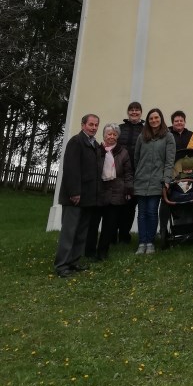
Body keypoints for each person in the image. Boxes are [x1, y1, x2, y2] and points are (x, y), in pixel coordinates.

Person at [54, 114, 102, 278]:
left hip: (88, 198)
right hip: (74, 197)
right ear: (83, 125)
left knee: (81, 233)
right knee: (69, 232)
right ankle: (62, 265)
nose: (93, 127)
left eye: (96, 125)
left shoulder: (95, 145)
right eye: (90, 124)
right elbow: (71, 169)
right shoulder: (76, 142)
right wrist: (74, 192)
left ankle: (73, 261)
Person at [85, 123, 133, 262]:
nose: (111, 137)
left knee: (109, 226)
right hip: (98, 192)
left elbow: (128, 173)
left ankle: (103, 252)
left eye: (114, 134)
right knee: (93, 225)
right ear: (104, 135)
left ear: (117, 137)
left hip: (115, 193)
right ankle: (89, 251)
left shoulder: (123, 152)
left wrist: (128, 189)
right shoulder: (97, 150)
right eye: (109, 134)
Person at [133, 108, 176, 255]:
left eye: (156, 118)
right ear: (148, 120)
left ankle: (150, 242)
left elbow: (170, 161)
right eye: (151, 118)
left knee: (152, 212)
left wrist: (166, 179)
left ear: (161, 119)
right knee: (141, 213)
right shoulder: (142, 136)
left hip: (157, 181)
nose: (154, 120)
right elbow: (136, 158)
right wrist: (138, 173)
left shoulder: (168, 137)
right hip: (141, 180)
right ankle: (142, 242)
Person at [115, 101, 144, 243]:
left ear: (141, 113)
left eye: (137, 110)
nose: (134, 112)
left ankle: (124, 235)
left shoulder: (145, 130)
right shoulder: (120, 128)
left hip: (136, 173)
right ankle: (112, 234)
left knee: (130, 205)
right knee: (116, 204)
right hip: (118, 172)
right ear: (128, 112)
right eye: (131, 110)